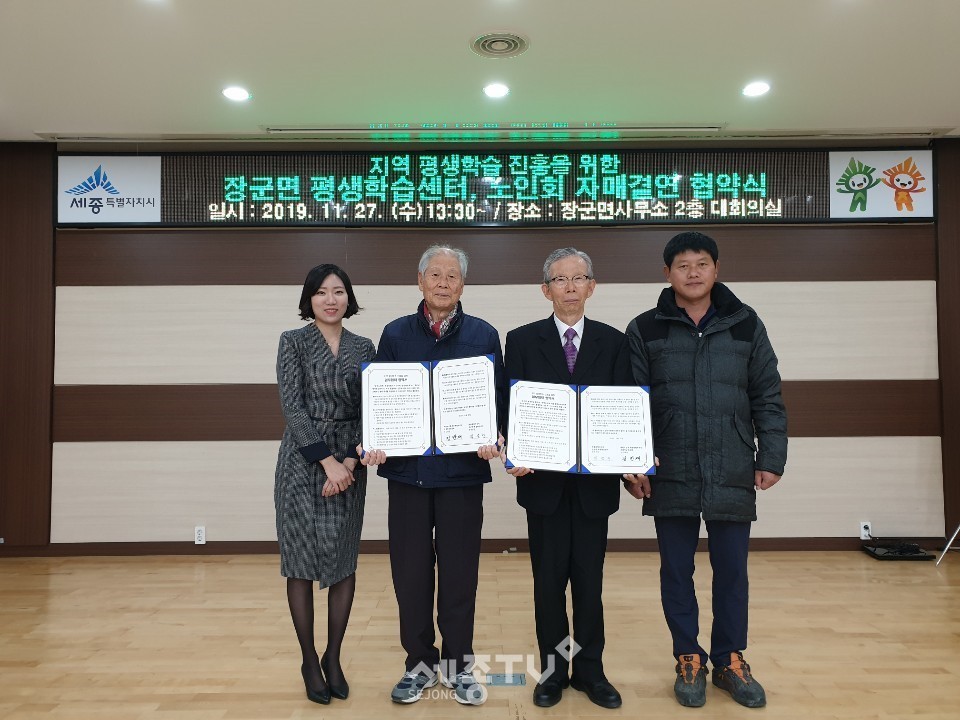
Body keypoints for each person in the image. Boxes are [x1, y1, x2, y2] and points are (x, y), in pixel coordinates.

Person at [625, 231, 787, 709]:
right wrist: (633, 465)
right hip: (669, 467)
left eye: (701, 264)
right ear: (667, 273)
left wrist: (770, 457)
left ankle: (730, 660)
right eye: (682, 265)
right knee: (676, 571)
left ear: (716, 269)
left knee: (732, 572)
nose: (693, 273)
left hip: (731, 464)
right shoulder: (645, 328)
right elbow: (631, 405)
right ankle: (688, 657)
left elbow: (767, 395)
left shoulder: (746, 323)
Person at [359, 245, 503, 706]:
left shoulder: (483, 334)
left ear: (463, 284)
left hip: (462, 474)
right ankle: (418, 665)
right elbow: (380, 399)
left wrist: (494, 437)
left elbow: (497, 401)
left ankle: (458, 667)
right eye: (435, 274)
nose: (443, 283)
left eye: (452, 276)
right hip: (408, 476)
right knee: (411, 576)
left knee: (460, 576)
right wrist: (374, 439)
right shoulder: (395, 333)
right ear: (419, 281)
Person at [501, 248, 634, 710]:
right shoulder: (521, 341)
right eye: (560, 279)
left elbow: (624, 408)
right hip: (544, 485)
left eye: (579, 278)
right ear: (546, 290)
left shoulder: (615, 342)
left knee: (590, 584)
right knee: (549, 583)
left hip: (595, 486)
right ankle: (554, 672)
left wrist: (632, 457)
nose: (570, 287)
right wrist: (513, 451)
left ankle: (591, 671)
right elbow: (511, 407)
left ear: (592, 287)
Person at [274, 264, 376, 705]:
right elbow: (292, 407)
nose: (330, 300)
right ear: (309, 300)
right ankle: (308, 659)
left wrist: (349, 461)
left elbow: (373, 408)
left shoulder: (364, 346)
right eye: (320, 292)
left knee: (342, 558)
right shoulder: (293, 341)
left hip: (351, 459)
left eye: (338, 291)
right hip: (303, 459)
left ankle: (333, 656)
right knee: (299, 559)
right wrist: (328, 463)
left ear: (349, 298)